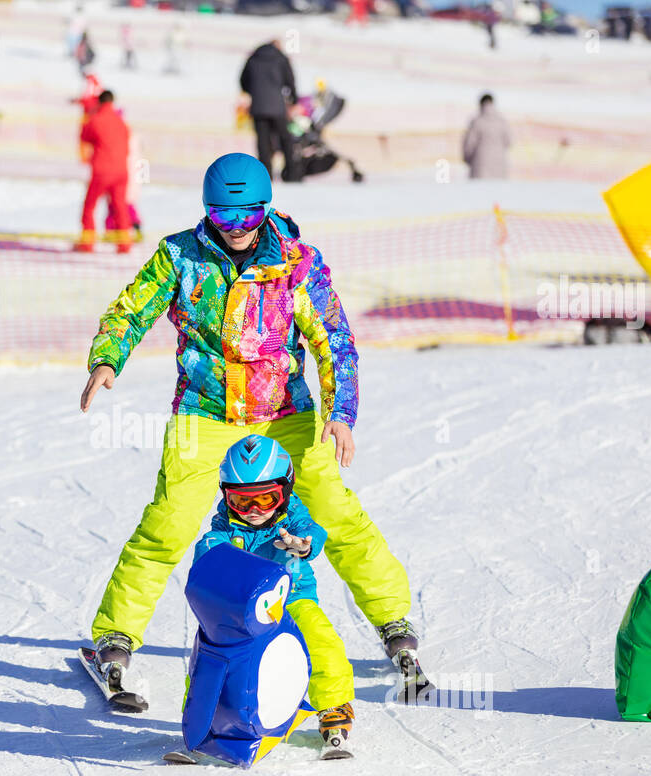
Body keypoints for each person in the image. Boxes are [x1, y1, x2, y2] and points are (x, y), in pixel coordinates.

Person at [80, 152, 419, 720]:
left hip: (285, 412)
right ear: (207, 211)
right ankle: (115, 638)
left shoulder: (295, 261)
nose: (235, 231)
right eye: (222, 216)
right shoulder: (180, 256)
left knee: (334, 510)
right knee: (170, 522)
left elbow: (333, 336)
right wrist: (107, 358)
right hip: (205, 412)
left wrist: (341, 411)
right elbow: (131, 309)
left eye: (247, 217)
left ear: (265, 209)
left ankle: (393, 619)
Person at [193, 435, 358, 747]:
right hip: (243, 608)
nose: (253, 509)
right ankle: (208, 715)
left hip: (292, 598)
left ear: (285, 491)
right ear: (227, 497)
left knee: (320, 640)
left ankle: (334, 704)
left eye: (265, 499)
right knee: (211, 655)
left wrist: (304, 544)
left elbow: (312, 531)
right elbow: (210, 551)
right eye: (241, 501)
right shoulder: (225, 529)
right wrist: (209, 555)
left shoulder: (292, 517)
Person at [76, 90, 132, 254]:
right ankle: (124, 243)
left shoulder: (95, 119)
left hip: (102, 171)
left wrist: (87, 114)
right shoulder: (121, 121)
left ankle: (87, 243)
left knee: (89, 206)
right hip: (121, 171)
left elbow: (84, 136)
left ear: (99, 102)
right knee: (120, 207)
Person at [239, 39, 299, 181]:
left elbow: (243, 81)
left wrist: (254, 91)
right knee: (285, 139)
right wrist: (294, 99)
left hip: (258, 106)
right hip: (277, 107)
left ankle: (266, 176)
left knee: (263, 142)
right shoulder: (281, 58)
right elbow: (290, 80)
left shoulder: (253, 58)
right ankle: (291, 173)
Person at [462, 92, 511, 179]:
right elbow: (509, 142)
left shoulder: (477, 121)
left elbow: (469, 143)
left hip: (480, 162)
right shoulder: (502, 121)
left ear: (480, 104)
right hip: (499, 162)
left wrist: (467, 159)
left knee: (480, 190)